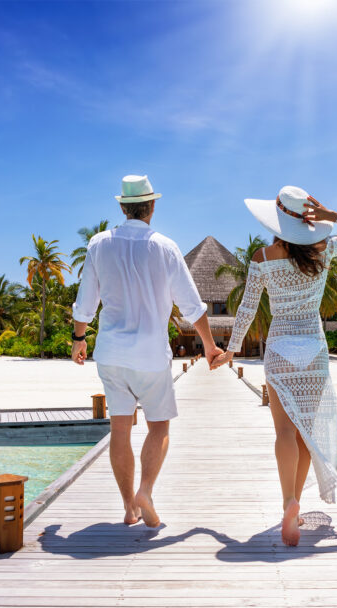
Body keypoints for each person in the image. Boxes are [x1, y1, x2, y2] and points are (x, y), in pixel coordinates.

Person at [212, 186, 337, 545]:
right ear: (306, 220)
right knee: (305, 435)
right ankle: (294, 507)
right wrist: (332, 216)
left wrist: (232, 350)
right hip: (314, 350)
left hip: (281, 349)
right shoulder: (325, 248)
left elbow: (248, 308)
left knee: (285, 432)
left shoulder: (263, 256)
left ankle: (289, 502)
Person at [72, 174, 220, 527]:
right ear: (151, 207)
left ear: (123, 207)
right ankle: (146, 491)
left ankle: (129, 508)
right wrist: (211, 347)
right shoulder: (165, 247)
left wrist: (79, 339)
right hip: (151, 356)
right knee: (158, 428)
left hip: (110, 354)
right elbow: (192, 306)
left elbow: (85, 304)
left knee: (120, 429)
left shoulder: (98, 244)